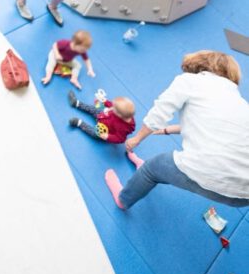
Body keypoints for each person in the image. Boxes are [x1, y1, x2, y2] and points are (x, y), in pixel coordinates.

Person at [104, 50, 249, 210]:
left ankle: (123, 200)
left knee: (151, 169)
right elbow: (216, 127)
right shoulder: (239, 102)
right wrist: (167, 130)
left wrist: (136, 138)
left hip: (207, 173)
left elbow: (159, 113)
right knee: (170, 170)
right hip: (243, 198)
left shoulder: (191, 81)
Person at [68, 89, 135, 143]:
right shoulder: (122, 112)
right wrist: (105, 101)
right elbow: (112, 105)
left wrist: (107, 136)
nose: (112, 107)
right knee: (93, 109)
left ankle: (78, 123)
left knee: (94, 134)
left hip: (104, 129)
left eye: (114, 109)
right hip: (102, 116)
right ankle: (76, 103)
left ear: (119, 115)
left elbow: (120, 139)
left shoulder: (122, 127)